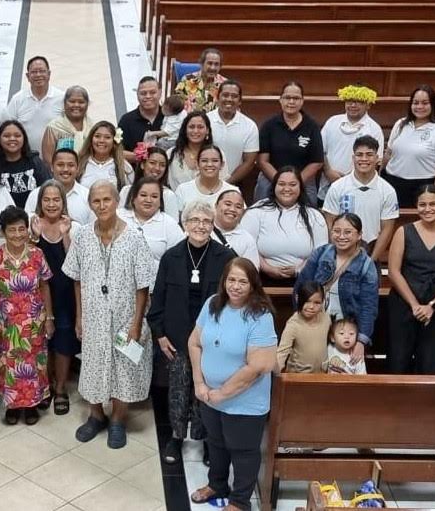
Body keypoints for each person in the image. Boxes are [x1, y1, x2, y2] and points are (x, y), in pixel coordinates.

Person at [63, 180, 153, 449]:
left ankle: (118, 419)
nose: (102, 205)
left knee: (124, 368)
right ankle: (96, 415)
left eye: (107, 200)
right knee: (92, 365)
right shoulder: (82, 236)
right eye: (96, 201)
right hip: (93, 318)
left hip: (126, 317)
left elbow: (143, 285)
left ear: (116, 202)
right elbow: (76, 279)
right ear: (90, 204)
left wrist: (136, 324)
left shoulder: (134, 237)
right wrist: (80, 317)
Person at [148, 200, 237, 465]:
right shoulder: (172, 256)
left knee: (207, 390)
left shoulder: (227, 258)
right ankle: (176, 438)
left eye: (206, 221)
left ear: (212, 225)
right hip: (176, 338)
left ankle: (206, 439)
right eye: (195, 220)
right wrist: (160, 335)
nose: (200, 226)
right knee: (178, 390)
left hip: (212, 339)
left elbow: (234, 299)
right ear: (185, 224)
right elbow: (159, 300)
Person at [187, 257, 276, 507]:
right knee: (215, 443)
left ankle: (239, 501)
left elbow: (259, 366)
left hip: (243, 402)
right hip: (209, 395)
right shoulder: (213, 304)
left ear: (253, 285)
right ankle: (217, 485)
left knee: (243, 451)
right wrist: (199, 383)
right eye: (231, 280)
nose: (236, 286)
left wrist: (223, 393)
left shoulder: (260, 315)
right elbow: (194, 342)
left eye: (243, 281)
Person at [386, 184, 435, 374]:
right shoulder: (403, 232)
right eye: (422, 204)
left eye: (433, 204)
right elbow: (393, 271)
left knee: (430, 363)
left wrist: (432, 306)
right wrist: (414, 305)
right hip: (404, 302)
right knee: (398, 360)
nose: (427, 209)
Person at [0, 206, 53, 425]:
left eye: (21, 229)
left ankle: (32, 405)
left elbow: (45, 286)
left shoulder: (37, 254)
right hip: (6, 323)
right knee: (8, 365)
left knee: (34, 365)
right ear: (4, 232)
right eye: (12, 230)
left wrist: (50, 318)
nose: (17, 235)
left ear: (27, 230)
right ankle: (13, 407)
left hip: (33, 321)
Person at [294, 213, 378, 360]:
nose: (341, 236)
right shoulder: (320, 254)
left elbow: (368, 307)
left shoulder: (366, 265)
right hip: (314, 322)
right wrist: (302, 319)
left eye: (348, 232)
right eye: (337, 231)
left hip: (346, 329)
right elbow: (300, 289)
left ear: (359, 235)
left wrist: (361, 340)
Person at [29, 179, 79, 415]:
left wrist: (65, 235)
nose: (51, 204)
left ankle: (60, 388)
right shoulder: (32, 226)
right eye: (46, 199)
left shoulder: (73, 226)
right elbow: (28, 261)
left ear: (63, 202)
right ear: (40, 202)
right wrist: (35, 237)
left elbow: (75, 266)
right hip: (36, 295)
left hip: (66, 295)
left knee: (63, 341)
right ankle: (45, 386)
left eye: (56, 199)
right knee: (41, 341)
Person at [240, 166, 328, 285]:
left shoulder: (314, 215)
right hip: (260, 277)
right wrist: (267, 268)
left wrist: (299, 270)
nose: (287, 188)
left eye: (292, 184)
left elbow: (321, 251)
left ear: (300, 187)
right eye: (281, 184)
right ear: (274, 186)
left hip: (305, 279)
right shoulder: (256, 211)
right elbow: (246, 246)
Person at [321, 135, 399, 260]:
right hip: (341, 255)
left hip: (371, 255)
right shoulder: (337, 187)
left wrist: (370, 262)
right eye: (359, 154)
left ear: (377, 158)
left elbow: (387, 230)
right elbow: (330, 224)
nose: (364, 159)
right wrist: (340, 255)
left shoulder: (387, 191)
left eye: (369, 154)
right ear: (353, 157)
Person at [384, 84, 435, 208]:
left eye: (425, 103)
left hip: (422, 187)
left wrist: (434, 196)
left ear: (432, 105)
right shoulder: (400, 124)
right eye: (415, 103)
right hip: (392, 183)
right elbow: (388, 154)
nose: (419, 107)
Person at [257, 81, 324, 202]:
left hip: (303, 179)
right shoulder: (269, 125)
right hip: (271, 178)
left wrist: (295, 183)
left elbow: (316, 162)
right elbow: (263, 161)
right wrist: (280, 182)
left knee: (309, 214)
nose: (291, 102)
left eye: (296, 98)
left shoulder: (312, 126)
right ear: (280, 100)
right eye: (287, 97)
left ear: (302, 101)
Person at [319, 84, 384, 204]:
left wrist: (348, 179)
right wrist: (328, 172)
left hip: (357, 186)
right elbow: (320, 150)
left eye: (359, 101)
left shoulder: (374, 129)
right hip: (327, 183)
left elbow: (374, 161)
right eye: (349, 100)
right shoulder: (332, 121)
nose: (353, 105)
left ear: (368, 104)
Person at [119, 176, 184, 281]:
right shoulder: (118, 217)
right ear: (133, 198)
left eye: (154, 196)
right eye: (143, 195)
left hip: (154, 288)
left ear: (160, 201)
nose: (148, 200)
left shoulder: (169, 224)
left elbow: (179, 261)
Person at [5, 56, 64, 150]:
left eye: (42, 71)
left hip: (55, 159)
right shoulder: (17, 99)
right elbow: (7, 128)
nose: (38, 75)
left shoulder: (62, 98)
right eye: (34, 72)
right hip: (25, 158)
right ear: (28, 76)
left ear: (49, 74)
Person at [207, 80, 259, 185]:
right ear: (217, 98)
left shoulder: (249, 126)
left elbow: (249, 162)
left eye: (234, 96)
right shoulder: (205, 120)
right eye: (225, 95)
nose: (229, 99)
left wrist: (226, 184)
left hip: (233, 183)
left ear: (240, 101)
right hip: (204, 180)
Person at [0, 120, 51, 208]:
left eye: (17, 135)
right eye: (7, 136)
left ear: (24, 138)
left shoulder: (35, 161)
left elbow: (48, 188)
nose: (12, 138)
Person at [276, 281, 330, 373]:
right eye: (307, 301)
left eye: (317, 303)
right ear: (297, 299)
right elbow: (282, 353)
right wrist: (274, 375)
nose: (311, 307)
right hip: (298, 376)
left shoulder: (326, 318)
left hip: (322, 375)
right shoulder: (293, 324)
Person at [123, 146, 180, 218]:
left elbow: (173, 225)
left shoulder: (168, 195)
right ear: (142, 164)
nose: (157, 168)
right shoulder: (126, 191)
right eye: (152, 163)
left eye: (162, 165)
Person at [174, 145, 238, 209]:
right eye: (204, 161)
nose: (209, 164)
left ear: (222, 164)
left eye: (215, 161)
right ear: (197, 164)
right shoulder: (183, 190)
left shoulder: (232, 191)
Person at [117, 76, 164, 162]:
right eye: (143, 93)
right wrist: (140, 157)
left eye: (153, 92)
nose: (148, 96)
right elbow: (116, 150)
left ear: (160, 93)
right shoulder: (126, 120)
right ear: (137, 95)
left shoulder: (171, 118)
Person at [41, 85, 93, 162]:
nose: (76, 105)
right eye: (72, 101)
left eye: (81, 102)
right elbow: (48, 159)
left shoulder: (92, 127)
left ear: (87, 104)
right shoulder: (54, 128)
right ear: (64, 103)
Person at [212, 186, 260, 268]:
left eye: (238, 207)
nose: (232, 209)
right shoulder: (202, 230)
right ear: (216, 206)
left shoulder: (247, 240)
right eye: (228, 204)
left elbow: (251, 272)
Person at [77, 121, 131, 189]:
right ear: (91, 139)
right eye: (97, 136)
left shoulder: (123, 167)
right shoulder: (79, 164)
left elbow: (130, 193)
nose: (101, 140)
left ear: (114, 142)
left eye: (107, 137)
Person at [167, 111, 213, 189]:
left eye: (200, 127)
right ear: (185, 130)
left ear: (207, 130)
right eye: (191, 127)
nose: (195, 131)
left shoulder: (216, 155)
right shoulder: (171, 154)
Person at [173, 47, 226, 112]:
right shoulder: (187, 80)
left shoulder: (224, 84)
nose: (213, 68)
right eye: (210, 63)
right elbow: (176, 105)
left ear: (220, 66)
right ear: (202, 64)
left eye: (216, 64)